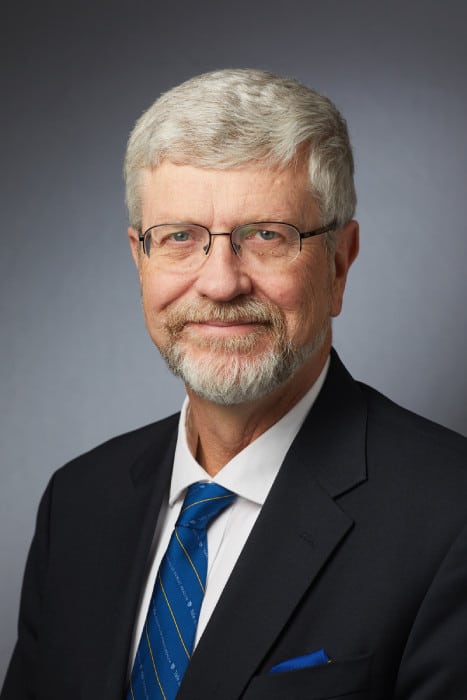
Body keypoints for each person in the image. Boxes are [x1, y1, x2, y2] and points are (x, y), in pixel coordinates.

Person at [2, 68, 467, 700]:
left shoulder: (450, 516)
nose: (221, 282)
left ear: (338, 263)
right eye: (180, 237)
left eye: (267, 236)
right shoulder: (78, 503)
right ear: (139, 259)